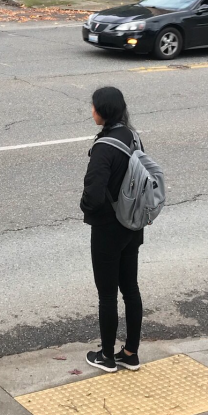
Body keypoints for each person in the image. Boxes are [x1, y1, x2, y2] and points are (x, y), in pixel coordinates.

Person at [80, 87, 143, 373]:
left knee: (107, 295)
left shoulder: (104, 148)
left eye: (93, 107)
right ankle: (130, 353)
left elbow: (92, 196)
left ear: (103, 111)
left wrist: (87, 209)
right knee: (130, 288)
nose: (91, 111)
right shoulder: (132, 136)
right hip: (133, 224)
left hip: (108, 229)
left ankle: (106, 356)